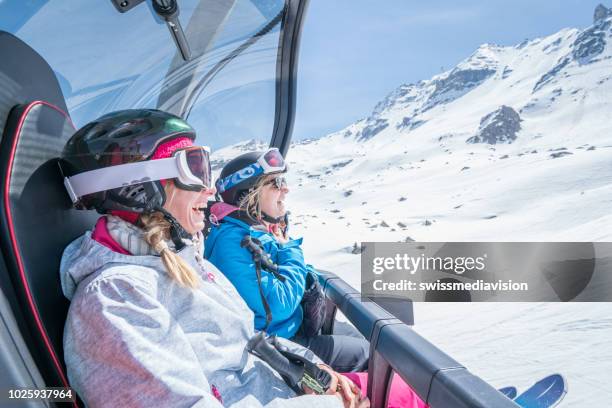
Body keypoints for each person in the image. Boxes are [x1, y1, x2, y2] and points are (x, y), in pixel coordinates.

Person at [59, 109, 369, 407]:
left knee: (396, 377)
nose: (209, 191)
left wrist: (314, 375)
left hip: (284, 389)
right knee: (403, 378)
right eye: (194, 169)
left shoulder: (185, 258)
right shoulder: (114, 300)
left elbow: (252, 339)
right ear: (140, 188)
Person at [204, 150, 369, 373]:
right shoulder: (232, 243)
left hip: (295, 327)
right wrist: (289, 250)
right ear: (248, 194)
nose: (285, 189)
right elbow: (278, 306)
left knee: (369, 340)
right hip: (278, 345)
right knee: (371, 356)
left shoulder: (251, 231)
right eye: (275, 183)